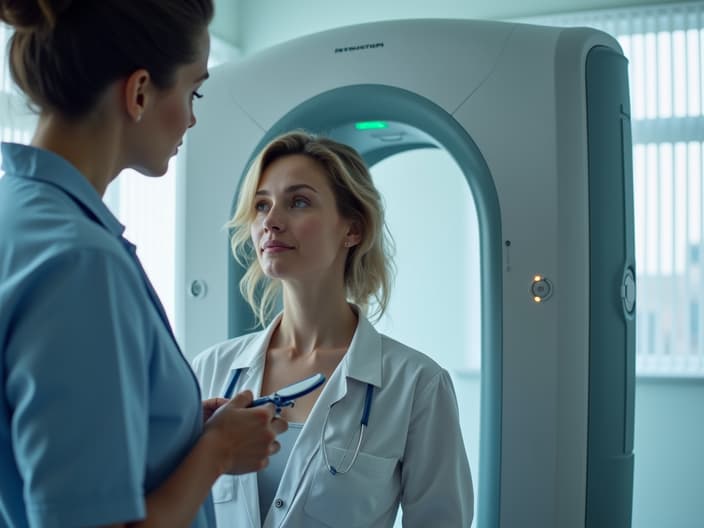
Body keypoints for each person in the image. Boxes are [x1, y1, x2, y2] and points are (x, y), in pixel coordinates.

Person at [0, 2, 286, 527]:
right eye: (193, 91)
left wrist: (172, 430)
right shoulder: (80, 264)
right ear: (138, 93)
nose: (194, 116)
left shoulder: (17, 216)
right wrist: (216, 453)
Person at [192, 130, 474, 527]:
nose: (271, 221)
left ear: (352, 230)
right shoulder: (210, 371)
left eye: (299, 202)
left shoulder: (417, 385)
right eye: (260, 206)